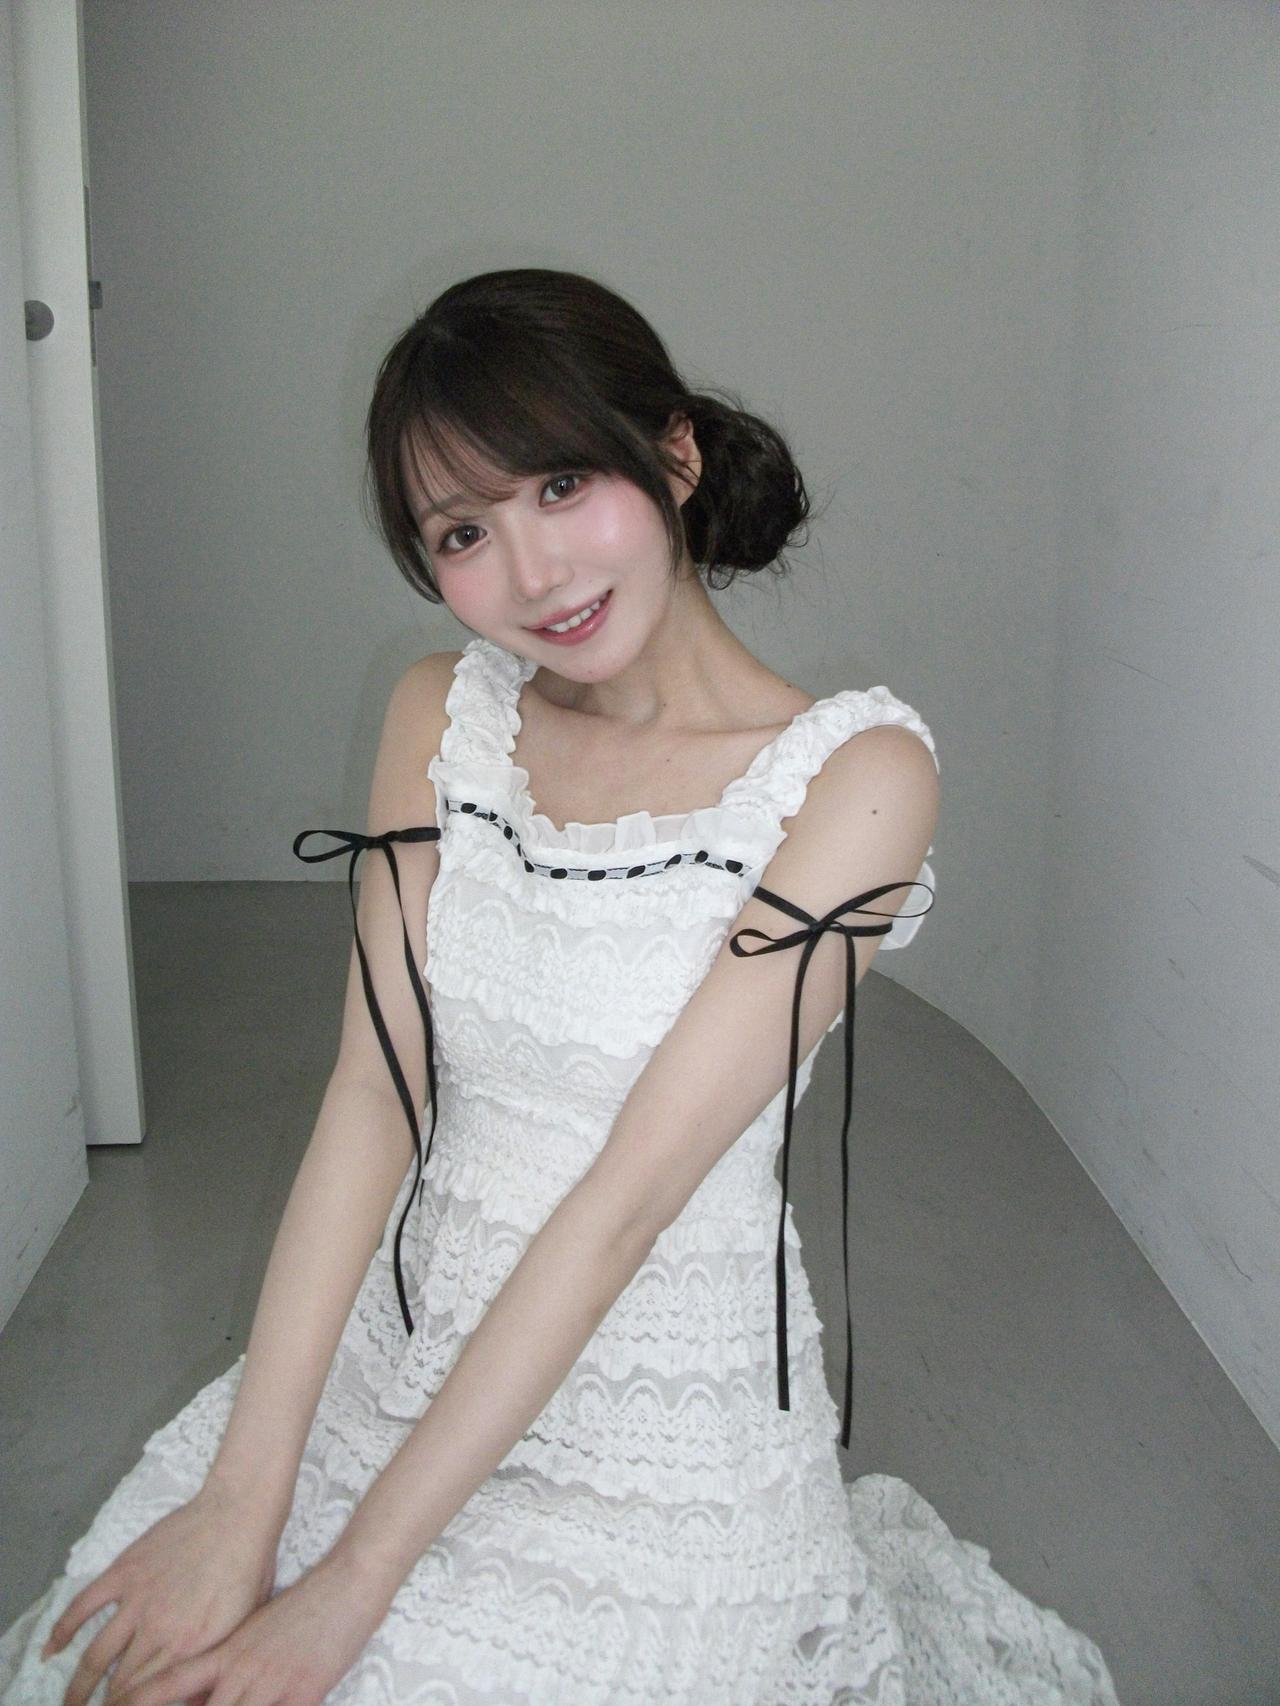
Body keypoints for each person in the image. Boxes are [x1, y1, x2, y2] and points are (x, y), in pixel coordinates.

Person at [0, 267, 1121, 1704]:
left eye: (562, 484)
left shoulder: (857, 780)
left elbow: (629, 1201)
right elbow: (375, 1095)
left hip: (659, 1414)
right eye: (464, 531)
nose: (532, 575)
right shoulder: (439, 711)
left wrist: (347, 1588)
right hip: (405, 1337)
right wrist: (243, 1500)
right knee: (105, 1659)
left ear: (675, 454)